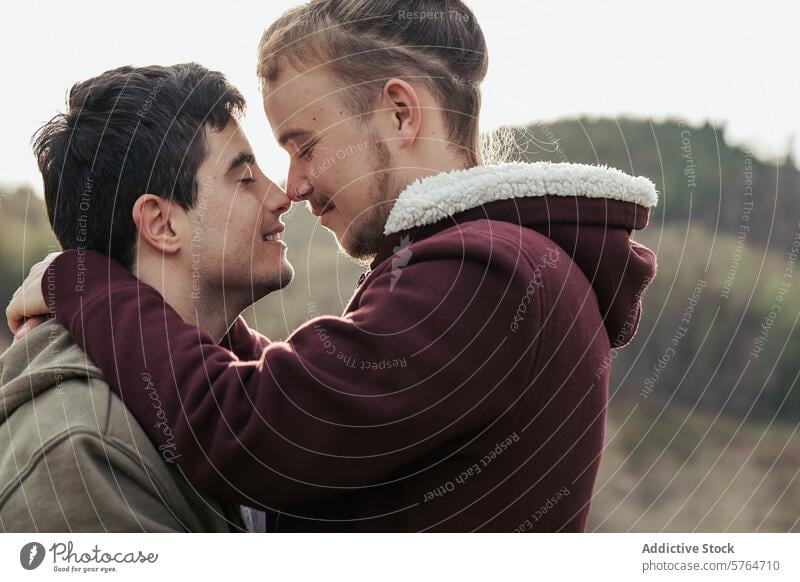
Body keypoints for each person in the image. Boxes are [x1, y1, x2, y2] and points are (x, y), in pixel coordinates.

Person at [7, 0, 658, 531]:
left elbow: (249, 429)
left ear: (400, 113)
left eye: (303, 145)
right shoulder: (483, 263)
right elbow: (322, 408)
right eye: (261, 165)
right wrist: (206, 333)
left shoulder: (482, 275)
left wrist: (85, 281)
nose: (292, 185)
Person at [0, 63, 292, 531]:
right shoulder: (82, 454)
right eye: (244, 178)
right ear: (161, 224)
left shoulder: (237, 386)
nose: (281, 196)